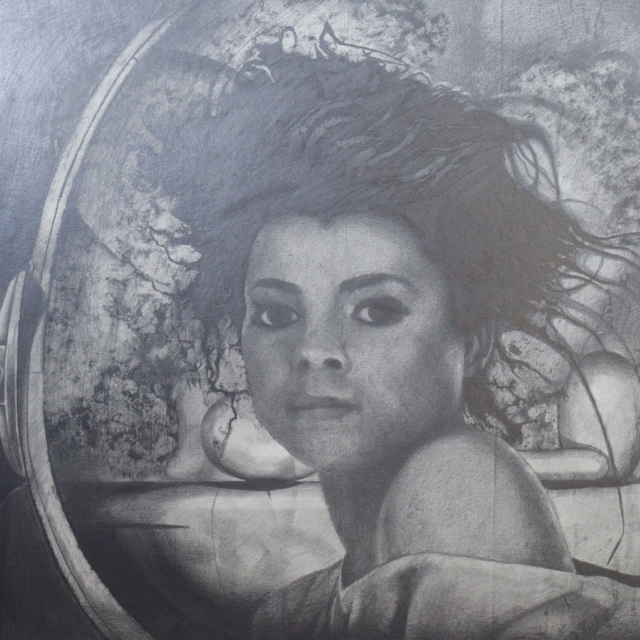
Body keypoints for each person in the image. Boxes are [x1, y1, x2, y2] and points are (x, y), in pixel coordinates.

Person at [147, 50, 640, 639]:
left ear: (473, 341)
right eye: (277, 313)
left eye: (376, 311)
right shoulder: (308, 602)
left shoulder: (452, 482)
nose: (315, 350)